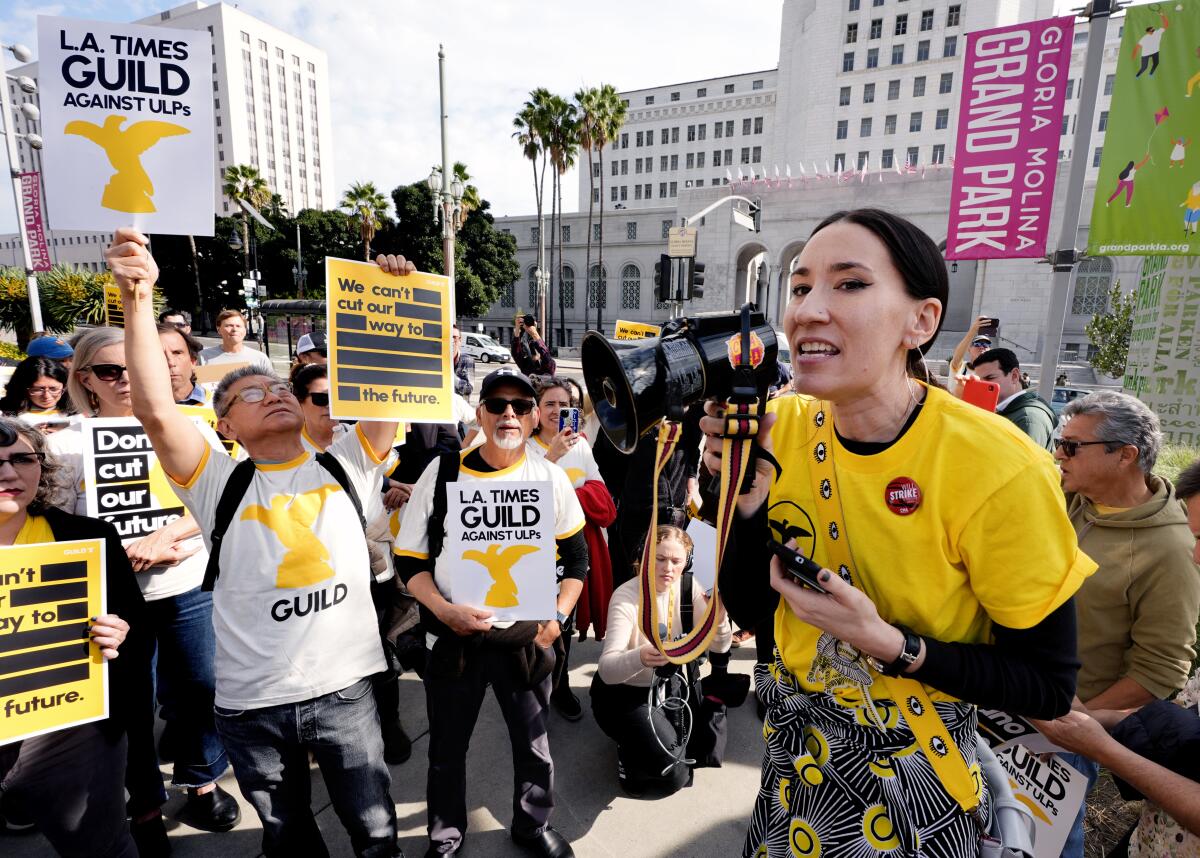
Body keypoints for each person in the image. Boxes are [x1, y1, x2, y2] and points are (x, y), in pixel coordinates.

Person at [700, 208, 1094, 857]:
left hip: (916, 790)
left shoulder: (1000, 465)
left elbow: (1048, 687)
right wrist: (741, 507)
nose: (806, 310)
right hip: (793, 775)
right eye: (799, 288)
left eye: (848, 284)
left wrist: (889, 644)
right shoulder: (783, 425)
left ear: (922, 320)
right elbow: (754, 612)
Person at [108, 227, 406, 858]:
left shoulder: (347, 463)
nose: (271, 395)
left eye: (278, 389)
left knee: (377, 834)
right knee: (289, 837)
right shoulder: (216, 479)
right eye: (250, 394)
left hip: (347, 694)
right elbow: (157, 411)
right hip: (251, 707)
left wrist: (391, 298)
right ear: (224, 426)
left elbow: (388, 392)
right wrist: (137, 297)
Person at [48, 325, 240, 853]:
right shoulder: (60, 445)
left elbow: (218, 500)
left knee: (203, 688)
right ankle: (146, 806)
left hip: (185, 582)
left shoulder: (188, 427)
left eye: (137, 366)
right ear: (85, 378)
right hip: (108, 599)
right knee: (130, 705)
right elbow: (54, 527)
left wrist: (170, 537)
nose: (127, 379)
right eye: (112, 371)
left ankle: (201, 781)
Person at [393, 366, 587, 858]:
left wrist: (556, 619)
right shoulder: (443, 474)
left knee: (534, 745)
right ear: (478, 413)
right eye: (497, 405)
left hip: (526, 641)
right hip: (455, 639)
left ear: (533, 419)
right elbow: (411, 560)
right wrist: (442, 609)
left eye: (521, 407)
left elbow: (578, 559)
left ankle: (530, 824)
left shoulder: (550, 477)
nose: (509, 414)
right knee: (446, 749)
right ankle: (445, 835)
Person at [1052, 390, 1199, 858]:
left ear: (1125, 455)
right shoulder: (1065, 497)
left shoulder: (1173, 551)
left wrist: (1079, 723)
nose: (1059, 453)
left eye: (1073, 446)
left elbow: (1161, 669)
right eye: (1060, 441)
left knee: (1049, 836)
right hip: (1016, 698)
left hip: (1066, 726)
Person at [0, 417, 148, 857]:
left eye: (21, 459)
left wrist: (120, 634)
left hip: (68, 733)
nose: (7, 473)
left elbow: (137, 634)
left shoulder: (89, 539)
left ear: (41, 468)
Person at [591, 525, 731, 796]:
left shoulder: (689, 587)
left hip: (671, 687)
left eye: (676, 561)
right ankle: (626, 744)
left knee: (698, 755)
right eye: (660, 559)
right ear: (644, 559)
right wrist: (641, 657)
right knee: (673, 774)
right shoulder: (626, 597)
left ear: (685, 562)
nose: (668, 568)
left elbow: (720, 645)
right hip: (625, 694)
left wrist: (720, 620)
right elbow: (607, 671)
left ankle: (641, 740)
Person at [528, 375, 616, 720]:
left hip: (571, 555)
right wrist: (551, 459)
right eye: (550, 403)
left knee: (561, 627)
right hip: (532, 558)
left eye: (565, 405)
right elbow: (524, 500)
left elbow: (604, 502)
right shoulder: (523, 445)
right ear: (536, 409)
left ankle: (560, 687)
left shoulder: (579, 444)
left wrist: (567, 498)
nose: (557, 411)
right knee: (534, 630)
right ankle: (534, 692)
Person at [969, 347, 1057, 450]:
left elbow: (1021, 464)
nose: (982, 385)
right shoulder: (1006, 411)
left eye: (990, 378)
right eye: (979, 380)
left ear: (1014, 376)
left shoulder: (1028, 419)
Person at [0, 355, 75, 417]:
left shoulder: (77, 410)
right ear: (22, 388)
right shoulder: (5, 413)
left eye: (53, 389)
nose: (46, 396)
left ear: (64, 386)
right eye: (38, 389)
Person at [199, 309, 273, 372]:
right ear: (219, 330)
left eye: (238, 326)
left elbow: (271, 386)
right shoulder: (203, 357)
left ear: (245, 330)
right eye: (229, 326)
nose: (234, 329)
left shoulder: (259, 358)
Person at [158, 322, 209, 405]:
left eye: (177, 353)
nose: (170, 362)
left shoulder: (222, 406)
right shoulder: (135, 411)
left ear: (192, 361)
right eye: (159, 354)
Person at [945, 316, 991, 398]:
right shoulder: (962, 366)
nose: (981, 347)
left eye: (985, 345)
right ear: (969, 349)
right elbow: (957, 357)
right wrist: (973, 330)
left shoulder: (990, 373)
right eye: (977, 344)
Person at [1132, 11, 1169, 78]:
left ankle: (1151, 74)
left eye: (1153, 29)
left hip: (1155, 52)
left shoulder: (1157, 32)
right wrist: (1133, 56)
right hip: (1145, 54)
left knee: (1156, 63)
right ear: (1148, 32)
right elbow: (1137, 47)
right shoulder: (1144, 38)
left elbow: (1166, 25)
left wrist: (1162, 15)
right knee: (1144, 67)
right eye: (1152, 30)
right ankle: (1137, 76)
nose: (1153, 31)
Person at [451, 325, 473, 397]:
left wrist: (450, 376)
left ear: (460, 341)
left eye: (454, 337)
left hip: (460, 406)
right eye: (448, 337)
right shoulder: (437, 360)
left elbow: (468, 389)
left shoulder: (467, 360)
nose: (451, 341)